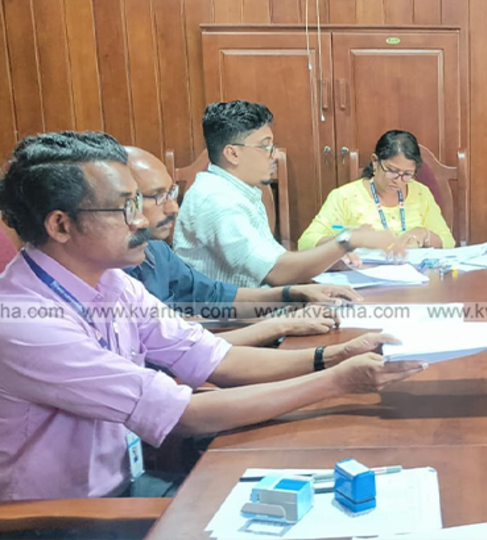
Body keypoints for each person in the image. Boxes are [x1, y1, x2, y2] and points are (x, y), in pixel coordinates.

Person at [0, 131, 427, 501]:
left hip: (131, 478)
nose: (143, 219)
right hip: (71, 516)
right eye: (126, 207)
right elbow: (182, 415)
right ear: (60, 226)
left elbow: (215, 358)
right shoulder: (26, 323)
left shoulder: (113, 281)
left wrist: (335, 356)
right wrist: (337, 381)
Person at [124, 146, 362, 347]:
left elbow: (214, 297)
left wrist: (290, 295)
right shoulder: (110, 273)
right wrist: (282, 322)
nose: (173, 208)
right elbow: (176, 342)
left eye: (171, 193)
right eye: (157, 196)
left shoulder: (156, 250)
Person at [174, 101, 400, 288]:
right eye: (265, 147)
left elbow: (273, 259)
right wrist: (349, 240)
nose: (273, 156)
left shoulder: (237, 190)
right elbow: (277, 272)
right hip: (234, 325)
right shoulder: (217, 201)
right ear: (232, 153)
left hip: (259, 310)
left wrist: (326, 259)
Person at [298, 130, 455, 251]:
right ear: (375, 162)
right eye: (392, 171)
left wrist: (425, 234)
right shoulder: (344, 197)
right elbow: (306, 242)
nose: (398, 180)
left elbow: (448, 242)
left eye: (407, 174)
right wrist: (350, 240)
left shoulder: (421, 193)